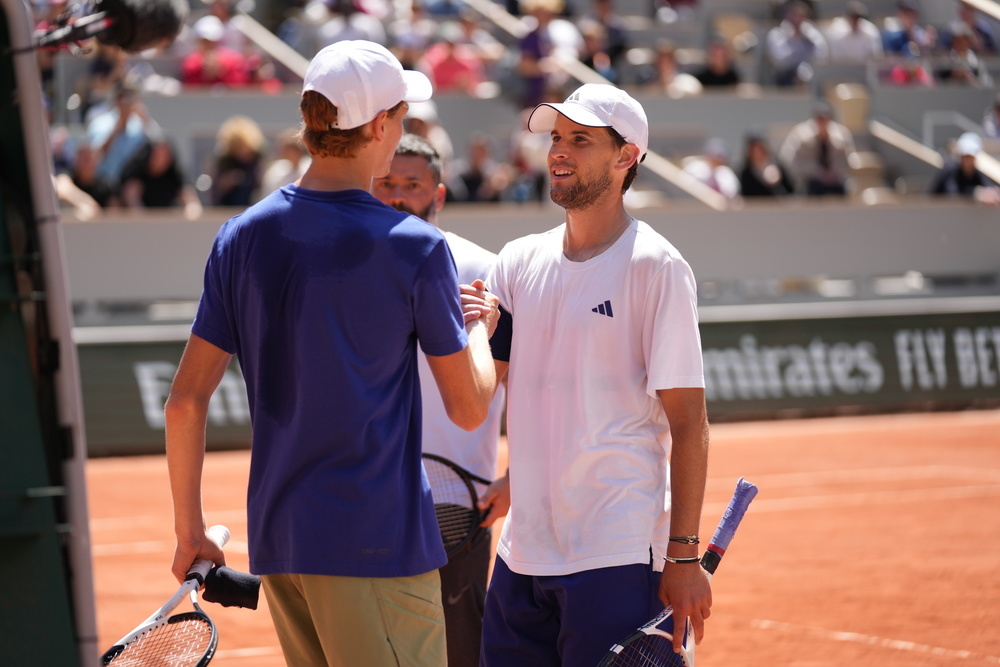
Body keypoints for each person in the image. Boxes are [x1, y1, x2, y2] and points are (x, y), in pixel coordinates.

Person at [164, 41, 499, 667]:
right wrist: (480, 326)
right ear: (376, 127)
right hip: (376, 544)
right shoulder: (416, 246)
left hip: (282, 544)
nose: (403, 128)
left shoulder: (240, 236)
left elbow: (185, 401)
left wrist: (190, 531)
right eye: (400, 115)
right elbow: (470, 405)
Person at [481, 83, 713, 665]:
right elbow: (485, 387)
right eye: (557, 137)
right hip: (521, 555)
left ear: (626, 155)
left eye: (580, 139)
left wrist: (683, 556)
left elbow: (689, 422)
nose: (558, 150)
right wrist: (474, 336)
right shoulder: (515, 261)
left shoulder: (657, 266)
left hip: (614, 553)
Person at [372, 132, 510, 667]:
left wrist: (516, 474)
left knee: (460, 652)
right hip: (370, 498)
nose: (398, 196)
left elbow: (527, 378)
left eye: (412, 185)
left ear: (439, 194)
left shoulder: (486, 269)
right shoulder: (349, 270)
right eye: (387, 184)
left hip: (459, 506)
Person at [779, 102, 855, 196]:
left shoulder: (841, 135)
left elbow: (849, 160)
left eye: (825, 119)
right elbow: (789, 159)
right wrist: (817, 172)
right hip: (810, 181)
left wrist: (834, 172)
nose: (822, 123)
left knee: (846, 187)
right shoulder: (801, 136)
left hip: (836, 180)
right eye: (819, 119)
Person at [119, 135, 203, 220]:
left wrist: (192, 213)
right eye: (157, 154)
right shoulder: (137, 173)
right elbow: (133, 202)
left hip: (168, 221)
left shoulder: (175, 173)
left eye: (165, 154)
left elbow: (190, 200)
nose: (162, 159)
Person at [765, 0, 828, 86]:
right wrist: (795, 40)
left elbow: (821, 55)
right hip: (786, 77)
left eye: (801, 16)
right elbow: (780, 61)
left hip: (811, 75)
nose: (797, 19)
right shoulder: (777, 34)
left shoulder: (811, 32)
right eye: (794, 15)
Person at [929, 131, 1000, 206]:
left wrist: (992, 193)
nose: (967, 160)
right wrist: (975, 193)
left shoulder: (977, 173)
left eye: (970, 157)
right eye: (965, 156)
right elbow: (953, 195)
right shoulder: (949, 170)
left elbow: (988, 186)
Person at [209, 115, 266, 207]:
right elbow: (215, 190)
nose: (242, 153)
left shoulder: (258, 160)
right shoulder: (224, 162)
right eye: (237, 148)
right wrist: (228, 182)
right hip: (228, 207)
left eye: (244, 147)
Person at [738, 131, 794, 197]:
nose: (757, 153)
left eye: (759, 148)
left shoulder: (777, 165)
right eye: (753, 149)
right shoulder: (745, 172)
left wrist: (778, 181)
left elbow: (790, 189)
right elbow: (745, 194)